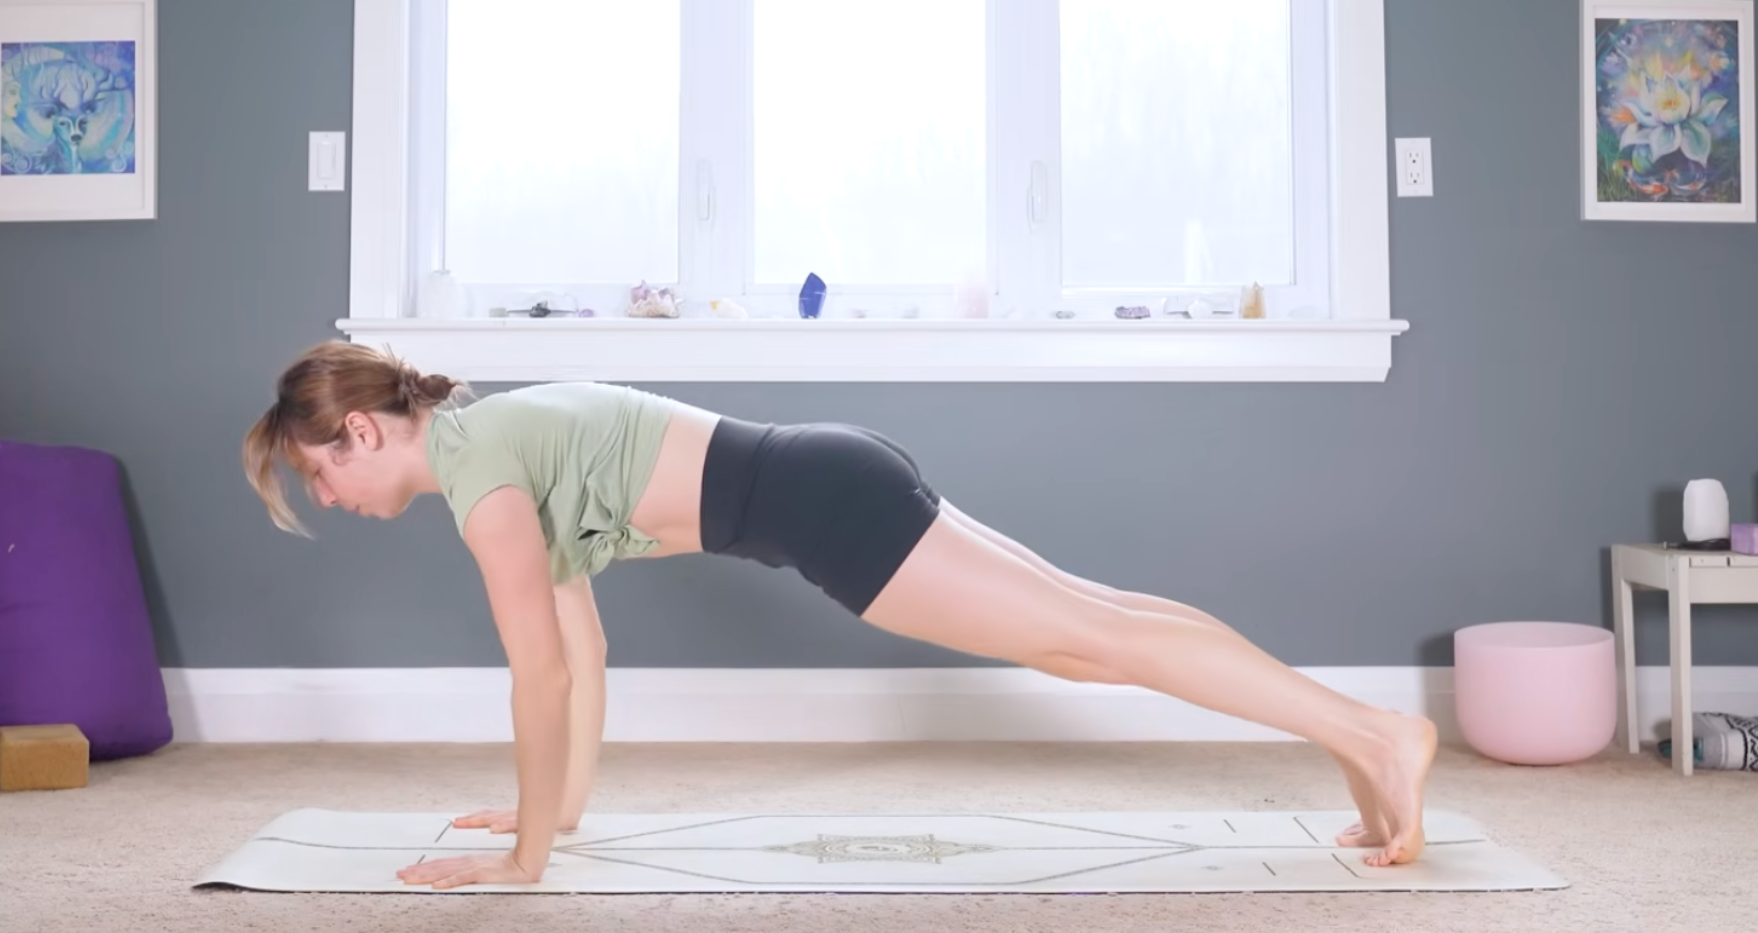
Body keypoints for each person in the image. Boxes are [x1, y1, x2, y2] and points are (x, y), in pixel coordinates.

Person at [242, 340, 1437, 889]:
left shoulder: (486, 482)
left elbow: (539, 677)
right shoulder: (485, 449)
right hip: (826, 471)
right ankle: (1358, 735)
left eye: (317, 475)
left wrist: (523, 861)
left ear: (355, 432)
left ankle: (1380, 737)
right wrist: (553, 809)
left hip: (820, 505)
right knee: (1096, 623)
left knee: (1095, 639)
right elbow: (585, 653)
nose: (330, 498)